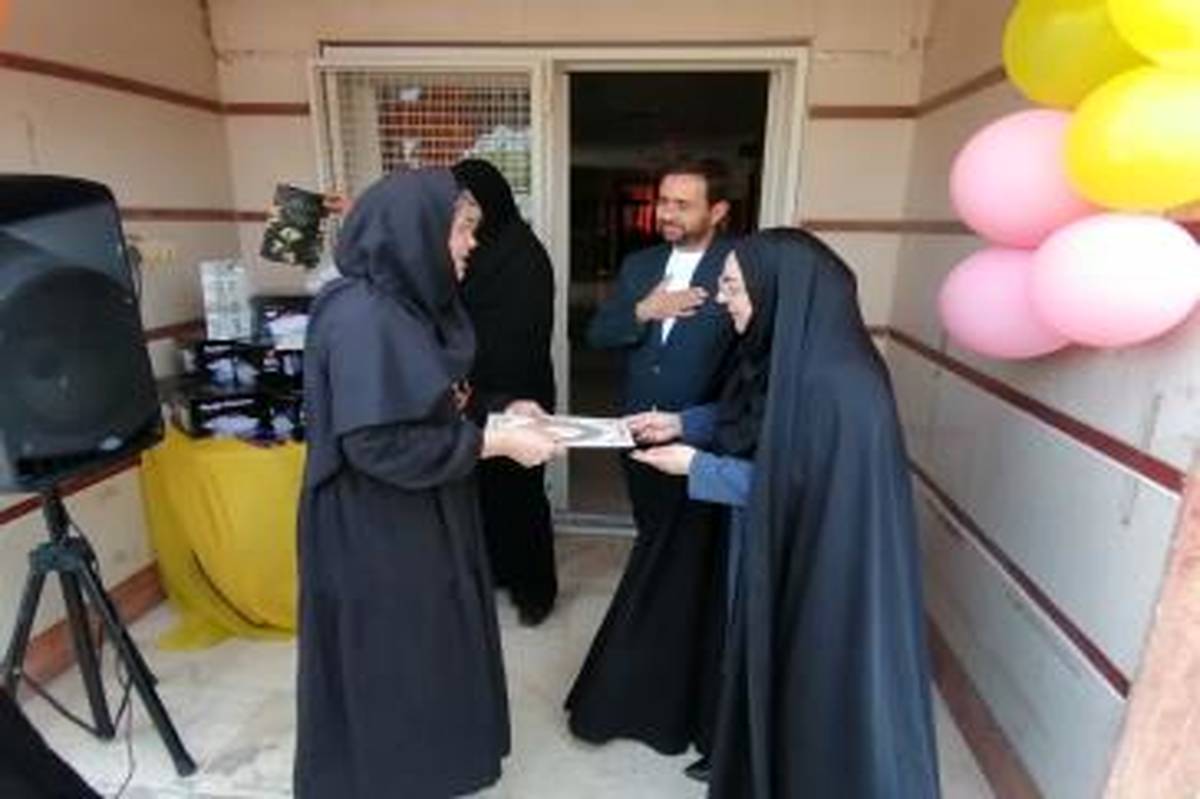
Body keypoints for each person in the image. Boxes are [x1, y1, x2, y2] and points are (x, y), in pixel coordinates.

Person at [628, 228, 941, 797]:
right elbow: (751, 415)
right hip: (764, 541)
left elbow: (806, 484)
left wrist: (699, 468)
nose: (723, 299)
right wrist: (680, 423)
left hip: (818, 563)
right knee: (746, 647)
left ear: (779, 290)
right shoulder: (783, 349)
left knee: (796, 668)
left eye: (733, 288)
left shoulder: (844, 387)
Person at [294, 168, 562, 798]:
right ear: (415, 233)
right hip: (377, 523)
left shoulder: (409, 302)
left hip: (420, 507)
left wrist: (499, 407)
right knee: (401, 653)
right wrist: (494, 443)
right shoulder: (364, 317)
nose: (472, 244)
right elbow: (375, 444)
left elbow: (432, 397)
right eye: (462, 230)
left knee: (434, 643)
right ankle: (403, 774)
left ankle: (441, 759)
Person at [566, 159, 736, 775]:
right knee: (655, 550)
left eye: (682, 204)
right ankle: (660, 669)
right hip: (637, 435)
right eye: (664, 201)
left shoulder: (738, 269)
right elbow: (598, 335)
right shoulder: (641, 266)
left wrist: (699, 424)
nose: (667, 212)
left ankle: (675, 681)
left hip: (704, 444)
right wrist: (644, 310)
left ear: (718, 211)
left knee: (691, 567)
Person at [450, 158, 559, 627]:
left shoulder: (524, 255)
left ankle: (535, 591)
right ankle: (496, 571)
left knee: (520, 495)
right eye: (460, 201)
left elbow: (523, 337)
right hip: (468, 393)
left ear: (495, 200)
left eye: (474, 201)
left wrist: (493, 398)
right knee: (480, 492)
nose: (468, 212)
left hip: (518, 391)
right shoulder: (466, 249)